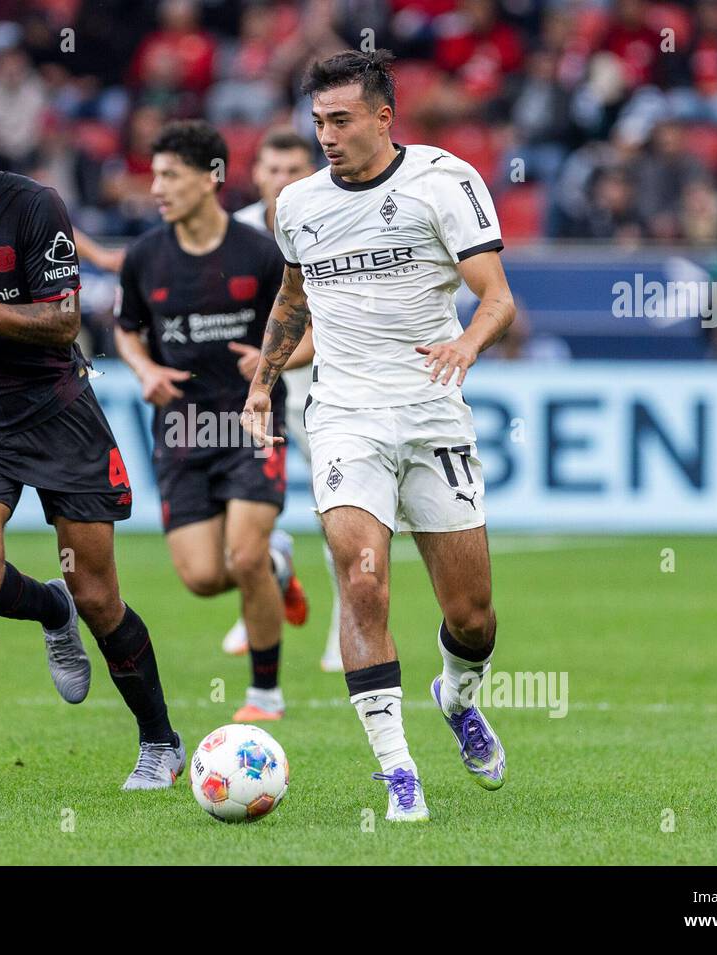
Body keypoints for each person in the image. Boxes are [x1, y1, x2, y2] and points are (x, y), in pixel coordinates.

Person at [0, 82, 183, 789]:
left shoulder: (33, 205)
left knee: (103, 596)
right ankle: (51, 606)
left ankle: (160, 741)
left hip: (55, 407)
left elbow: (63, 319)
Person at [241, 50, 516, 822]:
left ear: (384, 116)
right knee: (362, 582)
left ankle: (458, 699)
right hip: (344, 415)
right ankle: (399, 772)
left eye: (341, 120)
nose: (325, 135)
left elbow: (497, 298)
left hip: (432, 412)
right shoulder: (296, 203)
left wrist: (465, 345)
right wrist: (263, 382)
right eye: (317, 121)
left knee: (472, 614)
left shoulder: (444, 182)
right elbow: (291, 299)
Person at [114, 120, 307, 723]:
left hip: (250, 423)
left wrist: (272, 363)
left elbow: (310, 324)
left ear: (212, 178)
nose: (157, 187)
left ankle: (265, 696)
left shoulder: (260, 253)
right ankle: (279, 567)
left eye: (170, 175)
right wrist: (145, 369)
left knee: (243, 557)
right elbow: (125, 330)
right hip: (181, 431)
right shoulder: (145, 256)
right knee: (201, 577)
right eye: (155, 174)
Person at [227, 126, 344, 672]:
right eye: (272, 170)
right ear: (255, 174)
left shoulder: (333, 221)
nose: (282, 180)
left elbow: (324, 323)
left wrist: (267, 367)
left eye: (294, 170)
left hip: (318, 385)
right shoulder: (238, 232)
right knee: (239, 501)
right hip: (250, 392)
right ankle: (262, 592)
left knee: (335, 508)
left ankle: (346, 623)